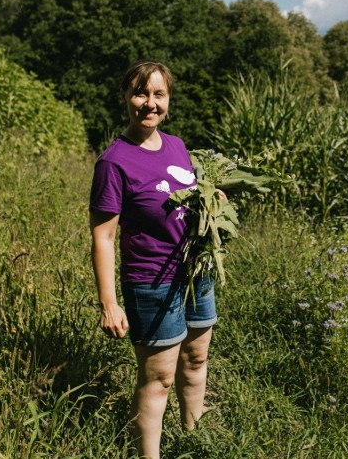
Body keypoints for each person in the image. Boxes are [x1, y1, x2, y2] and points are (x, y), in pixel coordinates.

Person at [89, 60, 217, 459]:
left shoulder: (177, 145)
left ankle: (195, 441)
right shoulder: (114, 161)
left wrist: (213, 202)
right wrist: (109, 303)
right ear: (126, 98)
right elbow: (104, 236)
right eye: (140, 93)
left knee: (196, 360)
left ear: (168, 100)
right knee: (159, 377)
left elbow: (188, 198)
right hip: (151, 281)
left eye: (158, 94)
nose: (149, 103)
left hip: (194, 272)